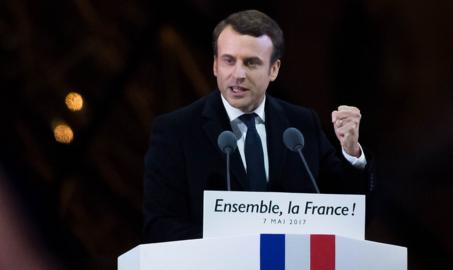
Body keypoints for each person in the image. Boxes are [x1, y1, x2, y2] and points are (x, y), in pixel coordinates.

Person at [143, 9, 375, 243]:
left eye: (251, 63)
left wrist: (351, 152)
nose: (238, 74)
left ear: (273, 69)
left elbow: (351, 216)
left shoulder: (302, 126)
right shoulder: (176, 131)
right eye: (228, 61)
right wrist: (236, 244)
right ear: (215, 65)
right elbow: (159, 227)